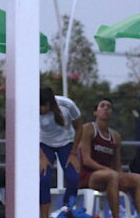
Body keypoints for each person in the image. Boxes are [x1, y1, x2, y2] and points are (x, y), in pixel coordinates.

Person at [79, 99, 140, 218]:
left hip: (109, 176)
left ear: (112, 113)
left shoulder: (116, 136)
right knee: (112, 175)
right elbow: (86, 160)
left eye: (109, 107)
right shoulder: (88, 129)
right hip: (89, 175)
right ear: (95, 112)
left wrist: (125, 178)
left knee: (137, 179)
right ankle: (116, 216)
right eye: (102, 106)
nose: (106, 108)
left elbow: (117, 165)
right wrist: (107, 170)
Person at [39, 86, 83, 217]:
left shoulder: (67, 105)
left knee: (73, 178)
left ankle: (65, 210)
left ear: (48, 104)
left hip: (66, 143)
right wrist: (41, 156)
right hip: (45, 144)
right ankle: (44, 215)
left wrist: (74, 153)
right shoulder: (31, 108)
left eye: (41, 106)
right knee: (44, 179)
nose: (39, 109)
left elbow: (80, 127)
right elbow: (30, 132)